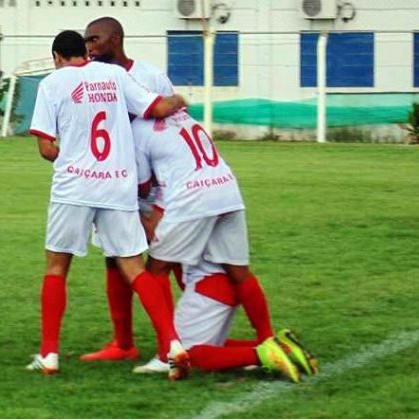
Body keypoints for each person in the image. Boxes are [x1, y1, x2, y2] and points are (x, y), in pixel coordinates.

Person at [25, 29, 191, 381]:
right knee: (134, 267)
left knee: (56, 267)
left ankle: (49, 354)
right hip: (117, 185)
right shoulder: (114, 75)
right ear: (85, 53)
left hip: (74, 187)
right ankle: (173, 344)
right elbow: (158, 107)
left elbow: (46, 148)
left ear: (57, 57)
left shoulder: (52, 84)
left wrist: (72, 158)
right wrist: (178, 98)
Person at [130, 110, 319, 382]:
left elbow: (143, 186)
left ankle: (166, 353)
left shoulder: (138, 128)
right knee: (240, 272)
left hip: (194, 201)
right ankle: (269, 340)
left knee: (157, 275)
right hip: (225, 187)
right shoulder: (180, 116)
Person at [80, 16, 180, 363]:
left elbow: (175, 127)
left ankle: (177, 342)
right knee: (115, 259)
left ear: (115, 39)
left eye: (94, 39)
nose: (89, 47)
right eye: (86, 41)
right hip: (114, 185)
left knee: (168, 261)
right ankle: (123, 343)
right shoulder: (90, 79)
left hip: (156, 187)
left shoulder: (150, 76)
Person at [136, 258, 319, 379]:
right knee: (210, 345)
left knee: (184, 355)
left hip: (207, 283)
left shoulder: (179, 210)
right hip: (225, 279)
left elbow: (161, 261)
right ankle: (279, 346)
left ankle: (263, 354)